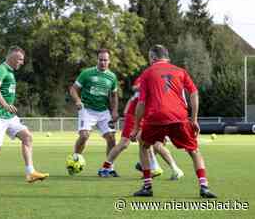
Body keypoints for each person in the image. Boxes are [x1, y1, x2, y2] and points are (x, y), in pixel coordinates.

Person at [131, 44, 216, 198]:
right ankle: (204, 187)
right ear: (167, 57)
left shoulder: (147, 74)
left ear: (153, 57)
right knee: (194, 151)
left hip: (156, 117)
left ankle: (147, 187)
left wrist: (136, 127)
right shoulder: (180, 71)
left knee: (144, 145)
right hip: (179, 116)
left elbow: (141, 103)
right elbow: (194, 93)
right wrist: (194, 119)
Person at [0, 46, 49, 183]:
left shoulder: (11, 73)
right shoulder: (0, 70)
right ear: (11, 57)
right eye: (20, 59)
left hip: (9, 116)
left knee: (27, 137)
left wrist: (7, 107)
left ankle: (31, 173)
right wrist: (5, 105)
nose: (22, 62)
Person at [98, 76, 184, 180]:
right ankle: (106, 167)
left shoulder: (165, 85)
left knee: (153, 142)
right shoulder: (147, 76)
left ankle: (152, 166)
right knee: (125, 143)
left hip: (148, 116)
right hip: (134, 115)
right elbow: (135, 89)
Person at [69, 48, 119, 176]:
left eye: (105, 60)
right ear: (97, 60)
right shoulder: (87, 73)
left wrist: (114, 111)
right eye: (100, 60)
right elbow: (73, 89)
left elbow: (113, 96)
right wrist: (78, 101)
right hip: (87, 109)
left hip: (103, 111)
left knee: (112, 139)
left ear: (109, 61)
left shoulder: (112, 77)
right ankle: (75, 159)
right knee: (84, 135)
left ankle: (109, 167)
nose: (103, 62)